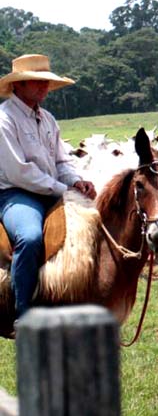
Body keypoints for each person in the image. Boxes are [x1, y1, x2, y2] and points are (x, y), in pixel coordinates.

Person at [0, 54, 97, 324]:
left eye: (46, 82)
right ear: (17, 86)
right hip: (16, 194)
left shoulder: (48, 119)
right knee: (30, 237)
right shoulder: (4, 120)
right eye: (36, 81)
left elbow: (61, 161)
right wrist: (60, 189)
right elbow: (19, 171)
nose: (44, 87)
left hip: (51, 190)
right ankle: (22, 313)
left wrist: (76, 182)